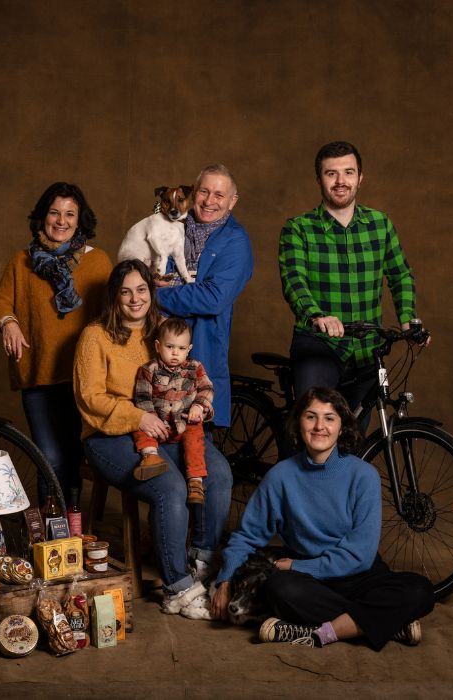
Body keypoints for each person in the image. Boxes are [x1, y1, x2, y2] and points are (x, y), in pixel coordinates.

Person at [211, 387, 434, 650]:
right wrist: (224, 582)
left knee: (421, 590)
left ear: (342, 428)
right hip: (308, 582)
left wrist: (296, 566)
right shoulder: (280, 476)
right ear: (299, 424)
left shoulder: (364, 476)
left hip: (359, 573)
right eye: (311, 417)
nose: (320, 426)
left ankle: (322, 632)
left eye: (329, 418)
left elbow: (360, 555)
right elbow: (247, 536)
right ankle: (386, 624)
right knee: (278, 588)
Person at [75, 259, 232, 619]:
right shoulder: (95, 337)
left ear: (152, 292)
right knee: (171, 487)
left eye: (142, 290)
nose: (135, 299)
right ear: (115, 296)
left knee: (218, 473)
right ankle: (177, 587)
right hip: (108, 433)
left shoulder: (164, 331)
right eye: (126, 291)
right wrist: (139, 415)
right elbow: (90, 399)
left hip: (169, 430)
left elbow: (194, 381)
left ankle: (200, 560)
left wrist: (201, 408)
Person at [0, 182, 111, 507]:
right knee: (49, 459)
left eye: (70, 214)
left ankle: (70, 537)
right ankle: (52, 540)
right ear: (42, 216)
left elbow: (116, 317)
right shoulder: (23, 261)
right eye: (54, 212)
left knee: (72, 460)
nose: (61, 221)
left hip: (82, 380)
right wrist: (8, 322)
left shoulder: (97, 263)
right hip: (38, 377)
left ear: (79, 219)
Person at [279, 141, 424, 409]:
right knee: (313, 424)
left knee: (355, 438)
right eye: (331, 173)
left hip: (368, 349)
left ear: (360, 178)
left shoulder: (380, 224)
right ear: (319, 179)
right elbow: (294, 281)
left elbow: (400, 274)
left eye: (348, 172)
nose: (340, 181)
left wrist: (408, 320)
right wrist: (317, 316)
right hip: (319, 344)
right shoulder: (298, 228)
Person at [154, 164, 252, 429]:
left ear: (233, 202)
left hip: (202, 348)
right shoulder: (169, 224)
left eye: (219, 195)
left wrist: (158, 296)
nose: (210, 201)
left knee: (195, 443)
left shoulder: (236, 241)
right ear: (192, 193)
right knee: (147, 430)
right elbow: (144, 272)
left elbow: (213, 298)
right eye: (204, 192)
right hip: (154, 347)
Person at [131, 316, 214, 507]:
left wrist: (198, 406)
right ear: (158, 346)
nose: (175, 353)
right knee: (139, 426)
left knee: (196, 438)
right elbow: (142, 397)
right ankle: (150, 456)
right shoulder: (148, 369)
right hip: (159, 423)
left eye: (181, 348)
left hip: (184, 422)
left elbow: (207, 388)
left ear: (189, 349)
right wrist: (151, 418)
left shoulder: (195, 368)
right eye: (170, 347)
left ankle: (195, 481)